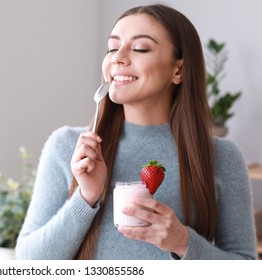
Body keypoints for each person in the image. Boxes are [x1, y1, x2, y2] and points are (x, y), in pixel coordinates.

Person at [15, 4, 257, 260]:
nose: (117, 57)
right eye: (112, 48)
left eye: (140, 48)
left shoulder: (222, 156)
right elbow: (29, 263)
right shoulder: (69, 147)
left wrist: (183, 242)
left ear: (179, 70)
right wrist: (85, 197)